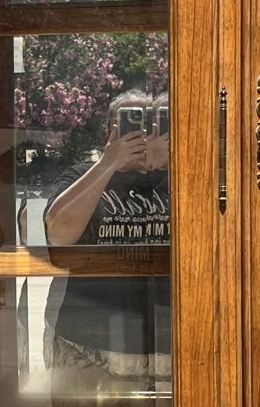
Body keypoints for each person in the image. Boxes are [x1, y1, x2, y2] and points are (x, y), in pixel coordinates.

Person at [42, 89, 170, 388]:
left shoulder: (176, 178)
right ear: (107, 132)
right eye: (127, 124)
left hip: (166, 339)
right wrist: (109, 164)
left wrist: (168, 163)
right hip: (88, 338)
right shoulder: (82, 174)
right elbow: (58, 233)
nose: (136, 135)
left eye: (146, 125)